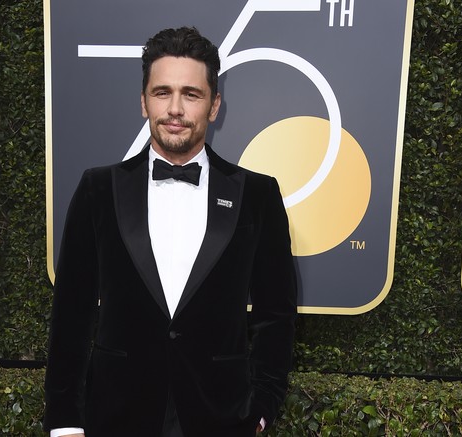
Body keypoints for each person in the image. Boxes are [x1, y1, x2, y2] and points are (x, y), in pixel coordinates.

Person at [44, 26, 297, 437]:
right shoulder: (98, 189)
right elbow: (72, 314)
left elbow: (275, 315)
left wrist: (262, 408)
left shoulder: (258, 194)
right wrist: (65, 422)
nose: (175, 108)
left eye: (191, 94)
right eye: (162, 92)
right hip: (115, 417)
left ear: (214, 106)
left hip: (222, 419)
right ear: (143, 102)